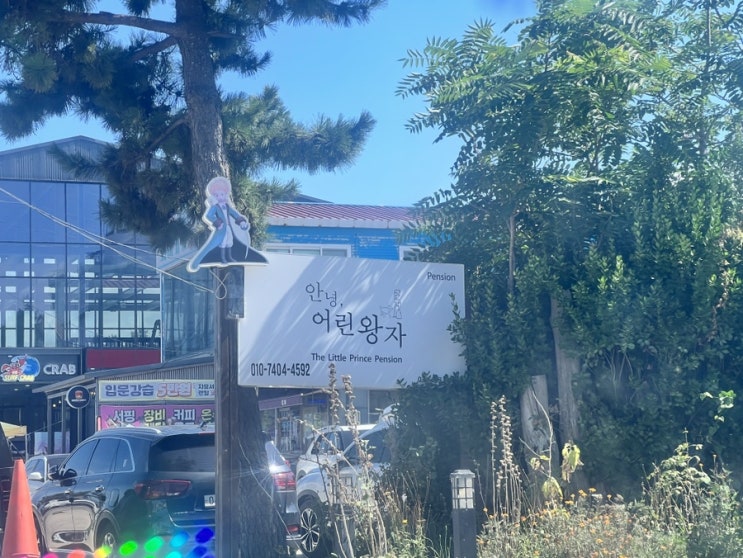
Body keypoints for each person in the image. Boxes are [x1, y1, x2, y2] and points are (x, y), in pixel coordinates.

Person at [187, 176, 267, 271]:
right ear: (214, 196)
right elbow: (208, 216)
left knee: (230, 241)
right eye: (217, 195)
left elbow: (235, 214)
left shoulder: (227, 206)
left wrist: (241, 222)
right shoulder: (215, 207)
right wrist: (217, 222)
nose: (220, 197)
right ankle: (222, 258)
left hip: (228, 228)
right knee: (222, 242)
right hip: (221, 229)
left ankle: (229, 257)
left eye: (222, 194)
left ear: (225, 195)